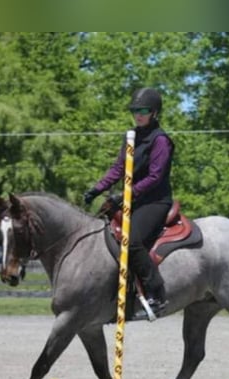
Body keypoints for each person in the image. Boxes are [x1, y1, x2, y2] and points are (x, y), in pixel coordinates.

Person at [84, 87, 174, 316]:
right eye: (135, 110)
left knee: (130, 241)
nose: (138, 114)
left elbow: (155, 177)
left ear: (154, 112)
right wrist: (97, 189)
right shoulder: (131, 136)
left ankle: (156, 293)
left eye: (143, 110)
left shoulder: (161, 140)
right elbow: (118, 169)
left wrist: (126, 194)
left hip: (155, 202)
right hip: (132, 199)